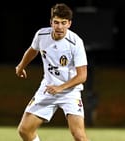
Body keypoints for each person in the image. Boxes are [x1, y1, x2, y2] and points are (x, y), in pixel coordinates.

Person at [15, 3, 89, 141]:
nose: (59, 27)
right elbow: (33, 50)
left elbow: (82, 76)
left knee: (79, 136)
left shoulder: (75, 42)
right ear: (51, 22)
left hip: (69, 92)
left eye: (63, 23)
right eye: (56, 22)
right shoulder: (42, 35)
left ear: (69, 24)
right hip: (48, 89)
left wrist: (60, 88)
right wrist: (21, 66)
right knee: (24, 131)